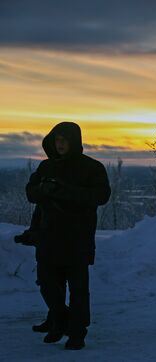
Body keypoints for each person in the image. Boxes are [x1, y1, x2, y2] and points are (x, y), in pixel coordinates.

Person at [26, 122, 111, 350]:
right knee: (47, 285)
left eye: (64, 140)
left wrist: (64, 191)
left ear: (75, 141)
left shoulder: (91, 168)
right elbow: (31, 194)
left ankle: (77, 333)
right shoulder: (46, 167)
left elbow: (101, 195)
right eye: (57, 140)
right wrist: (43, 191)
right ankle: (59, 319)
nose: (60, 144)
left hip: (76, 238)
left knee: (78, 290)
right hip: (48, 237)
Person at [13, 206, 69, 334]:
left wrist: (33, 236)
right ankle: (55, 319)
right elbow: (39, 220)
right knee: (55, 284)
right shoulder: (44, 197)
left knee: (50, 284)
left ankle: (61, 319)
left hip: (52, 246)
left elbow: (48, 224)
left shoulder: (48, 195)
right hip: (49, 245)